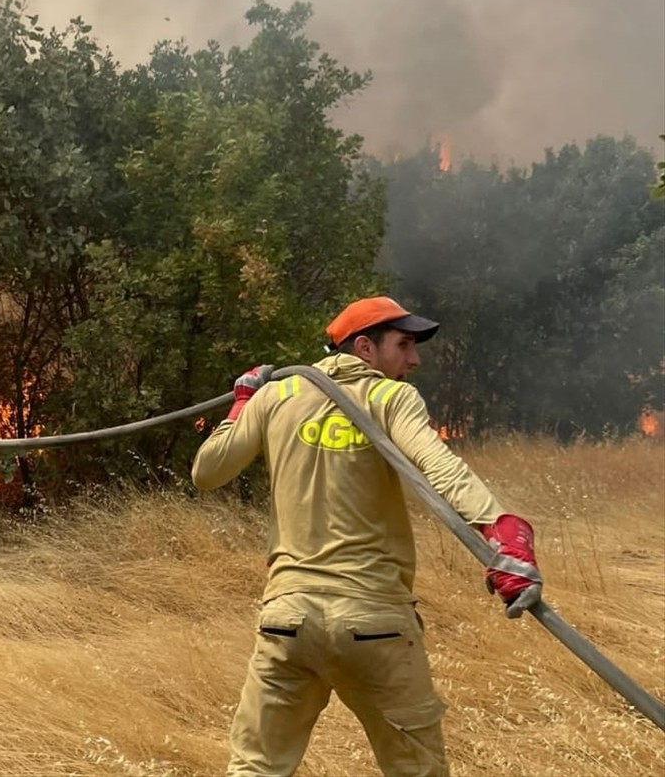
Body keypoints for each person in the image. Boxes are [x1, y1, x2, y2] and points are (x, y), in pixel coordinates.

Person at [191, 296, 542, 777]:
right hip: (376, 625)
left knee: (255, 767)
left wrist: (243, 403)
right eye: (404, 345)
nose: (413, 360)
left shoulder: (279, 396)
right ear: (364, 347)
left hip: (287, 623)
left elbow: (207, 471)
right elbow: (437, 466)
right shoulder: (390, 398)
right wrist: (501, 529)